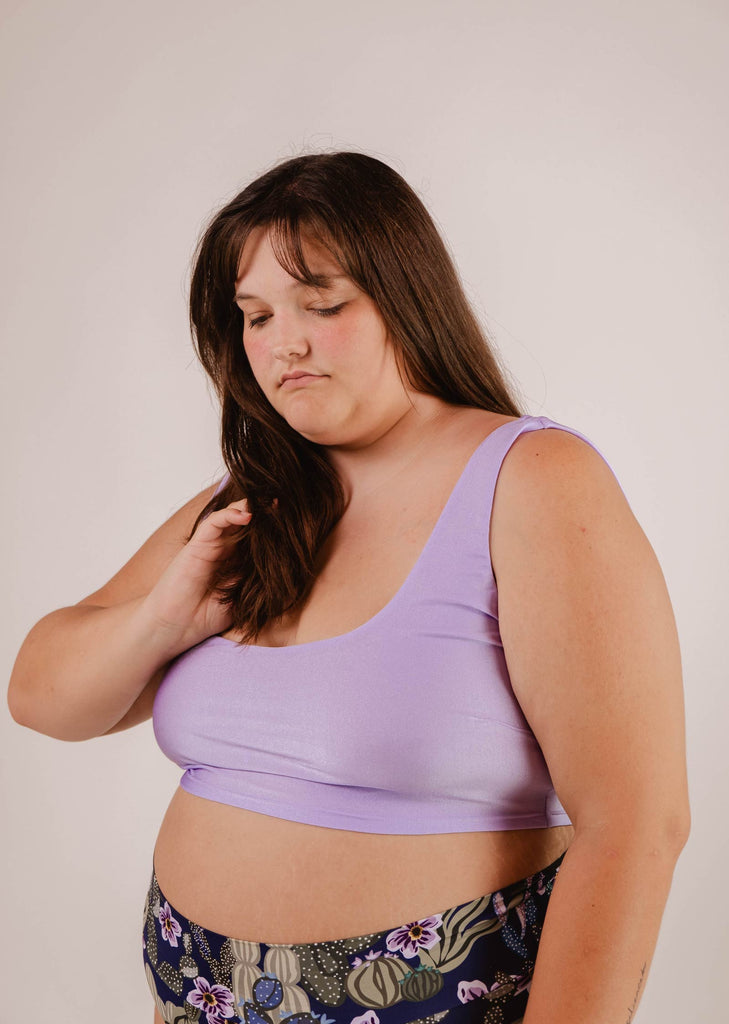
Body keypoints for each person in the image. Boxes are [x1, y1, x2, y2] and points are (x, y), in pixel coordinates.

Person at [8, 151, 690, 1024]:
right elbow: (40, 700)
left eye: (320, 305)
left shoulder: (532, 479)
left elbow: (635, 827)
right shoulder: (250, 500)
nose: (282, 342)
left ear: (405, 296)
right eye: (254, 316)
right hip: (197, 993)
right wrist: (163, 619)